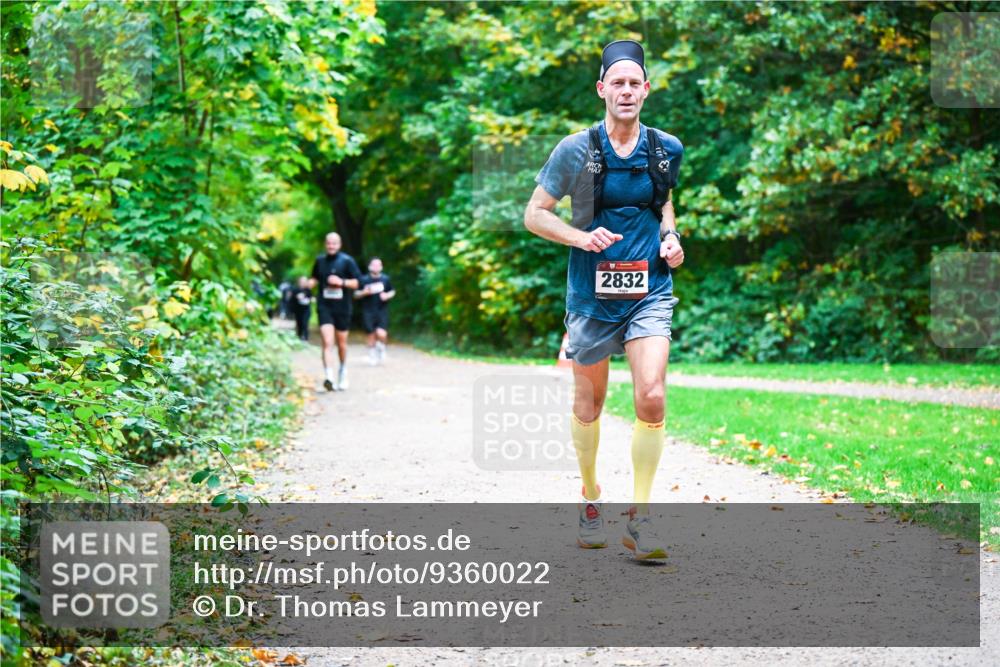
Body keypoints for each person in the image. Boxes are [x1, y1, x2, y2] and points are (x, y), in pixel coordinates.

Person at [523, 40, 685, 560]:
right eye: (617, 82)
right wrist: (580, 238)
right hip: (591, 295)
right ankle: (591, 496)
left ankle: (641, 518)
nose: (626, 91)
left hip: (649, 290)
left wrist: (671, 237)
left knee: (653, 395)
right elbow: (536, 214)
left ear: (646, 90)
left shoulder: (665, 149)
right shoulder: (576, 149)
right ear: (602, 90)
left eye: (635, 83)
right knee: (589, 404)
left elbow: (664, 205)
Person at [309, 232, 362, 391]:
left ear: (339, 245)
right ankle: (329, 377)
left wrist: (342, 282)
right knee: (327, 341)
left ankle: (342, 371)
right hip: (324, 306)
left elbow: (358, 282)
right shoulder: (320, 261)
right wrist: (307, 284)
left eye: (334, 243)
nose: (331, 246)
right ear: (325, 244)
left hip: (343, 307)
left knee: (342, 344)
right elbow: (314, 278)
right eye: (328, 243)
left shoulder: (347, 261)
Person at [355, 257, 396, 365]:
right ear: (370, 266)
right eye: (374, 265)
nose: (376, 267)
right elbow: (355, 294)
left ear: (381, 267)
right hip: (368, 310)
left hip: (382, 310)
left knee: (381, 333)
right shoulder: (364, 280)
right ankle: (372, 355)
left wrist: (387, 295)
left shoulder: (385, 279)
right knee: (370, 334)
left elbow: (392, 291)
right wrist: (364, 293)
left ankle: (381, 348)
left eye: (379, 265)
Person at [291, 276, 313, 341]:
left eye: (305, 281)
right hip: (298, 310)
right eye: (302, 281)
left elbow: (311, 297)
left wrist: (311, 299)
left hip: (306, 310)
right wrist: (296, 297)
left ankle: (306, 338)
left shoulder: (308, 290)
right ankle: (299, 337)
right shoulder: (295, 290)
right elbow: (291, 300)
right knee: (299, 323)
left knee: (305, 323)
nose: (303, 283)